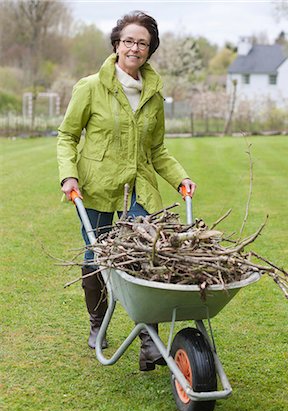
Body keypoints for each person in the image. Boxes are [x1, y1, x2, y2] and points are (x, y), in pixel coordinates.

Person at [57, 11, 196, 371]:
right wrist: (68, 176)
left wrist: (180, 177)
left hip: (140, 188)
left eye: (143, 43)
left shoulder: (153, 93)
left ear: (150, 51)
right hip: (96, 185)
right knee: (96, 260)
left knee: (145, 258)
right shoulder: (90, 86)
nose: (135, 47)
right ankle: (96, 324)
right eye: (129, 41)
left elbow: (158, 150)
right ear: (117, 44)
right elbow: (68, 136)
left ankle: (149, 343)